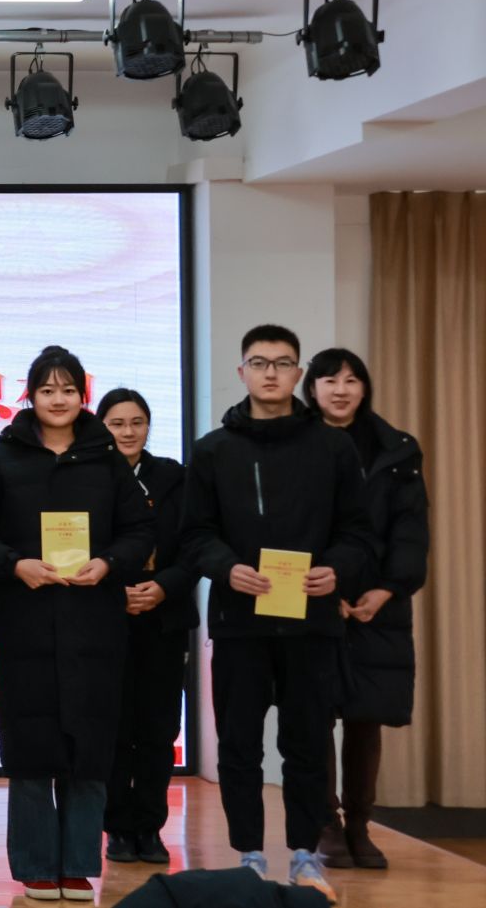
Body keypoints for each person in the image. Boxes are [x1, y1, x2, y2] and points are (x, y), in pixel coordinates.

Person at [183, 326, 376, 901]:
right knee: (239, 744)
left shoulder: (333, 448)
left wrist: (336, 569)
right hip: (239, 622)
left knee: (308, 742)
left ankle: (304, 854)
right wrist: (226, 568)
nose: (271, 373)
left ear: (299, 374)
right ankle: (248, 854)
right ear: (241, 372)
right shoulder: (214, 449)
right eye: (259, 362)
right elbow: (195, 534)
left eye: (283, 362)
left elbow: (359, 533)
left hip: (311, 622)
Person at [0, 346, 153, 903]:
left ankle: (77, 865)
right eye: (47, 390)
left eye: (68, 389)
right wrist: (14, 564)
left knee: (89, 746)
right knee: (30, 745)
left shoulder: (107, 460)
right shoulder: (3, 458)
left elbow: (140, 531)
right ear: (31, 396)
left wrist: (109, 563)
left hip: (94, 625)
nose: (59, 399)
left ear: (82, 396)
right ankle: (36, 866)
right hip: (24, 623)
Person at [304, 348, 426, 872]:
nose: (341, 389)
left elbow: (411, 527)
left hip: (378, 601)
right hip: (314, 594)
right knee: (313, 714)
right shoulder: (297, 442)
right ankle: (325, 823)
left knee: (365, 716)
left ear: (365, 388)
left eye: (352, 380)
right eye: (330, 380)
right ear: (311, 388)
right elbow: (294, 522)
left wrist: (389, 589)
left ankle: (359, 824)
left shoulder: (397, 449)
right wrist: (321, 586)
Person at [96, 388, 199, 866]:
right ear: (101, 427)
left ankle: (151, 827)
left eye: (137, 422)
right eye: (117, 423)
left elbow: (196, 544)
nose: (128, 431)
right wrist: (114, 591)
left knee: (159, 729)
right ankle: (118, 827)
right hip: (107, 616)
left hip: (164, 616)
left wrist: (164, 587)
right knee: (114, 726)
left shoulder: (174, 477)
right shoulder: (90, 477)